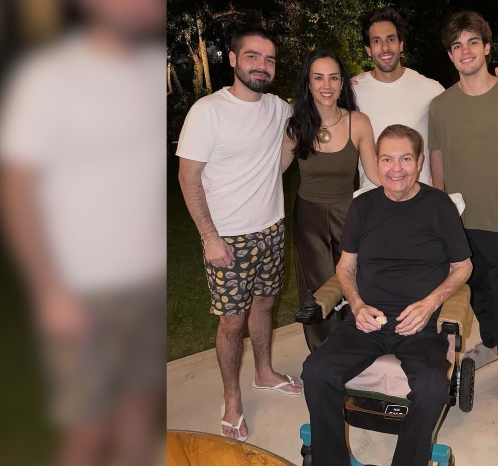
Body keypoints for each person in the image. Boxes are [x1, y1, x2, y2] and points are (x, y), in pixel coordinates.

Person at [0, 1, 164, 465]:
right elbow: (16, 190)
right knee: (89, 430)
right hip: (83, 288)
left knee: (138, 416)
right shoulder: (47, 78)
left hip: (149, 282)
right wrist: (48, 290)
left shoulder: (154, 71)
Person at [302, 125, 473, 466]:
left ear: (419, 161)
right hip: (367, 321)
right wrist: (356, 304)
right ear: (376, 162)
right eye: (387, 159)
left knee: (432, 387)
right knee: (316, 371)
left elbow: (463, 266)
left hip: (420, 326)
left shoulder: (439, 206)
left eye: (405, 159)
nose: (396, 169)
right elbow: (345, 267)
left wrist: (430, 304)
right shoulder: (362, 206)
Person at [176, 27, 303, 442]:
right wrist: (209, 238)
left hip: (272, 229)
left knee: (264, 305)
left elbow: (282, 154)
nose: (261, 66)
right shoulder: (208, 111)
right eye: (252, 56)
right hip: (227, 238)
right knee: (232, 322)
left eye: (269, 59)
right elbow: (188, 177)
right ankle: (231, 398)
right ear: (232, 59)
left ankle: (264, 373)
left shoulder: (278, 108)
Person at [428, 11, 498, 400]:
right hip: (461, 222)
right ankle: (490, 343)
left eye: (473, 42)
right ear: (450, 54)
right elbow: (437, 159)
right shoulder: (441, 105)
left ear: (487, 47)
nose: (465, 51)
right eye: (457, 45)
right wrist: (442, 213)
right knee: (475, 289)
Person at [353, 6, 498, 189]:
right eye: (376, 41)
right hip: (373, 200)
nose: (385, 47)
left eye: (391, 39)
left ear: (401, 44)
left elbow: (470, 115)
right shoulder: (353, 92)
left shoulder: (431, 90)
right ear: (368, 49)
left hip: (420, 200)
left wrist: (497, 86)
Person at [281, 50, 380, 350]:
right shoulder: (295, 127)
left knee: (352, 280)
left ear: (342, 83)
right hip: (308, 219)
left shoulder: (358, 122)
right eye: (319, 78)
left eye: (334, 78)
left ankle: (356, 347)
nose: (327, 85)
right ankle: (324, 354)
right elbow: (271, 172)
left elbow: (376, 174)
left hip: (347, 215)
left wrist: (414, 191)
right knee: (318, 286)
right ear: (308, 83)